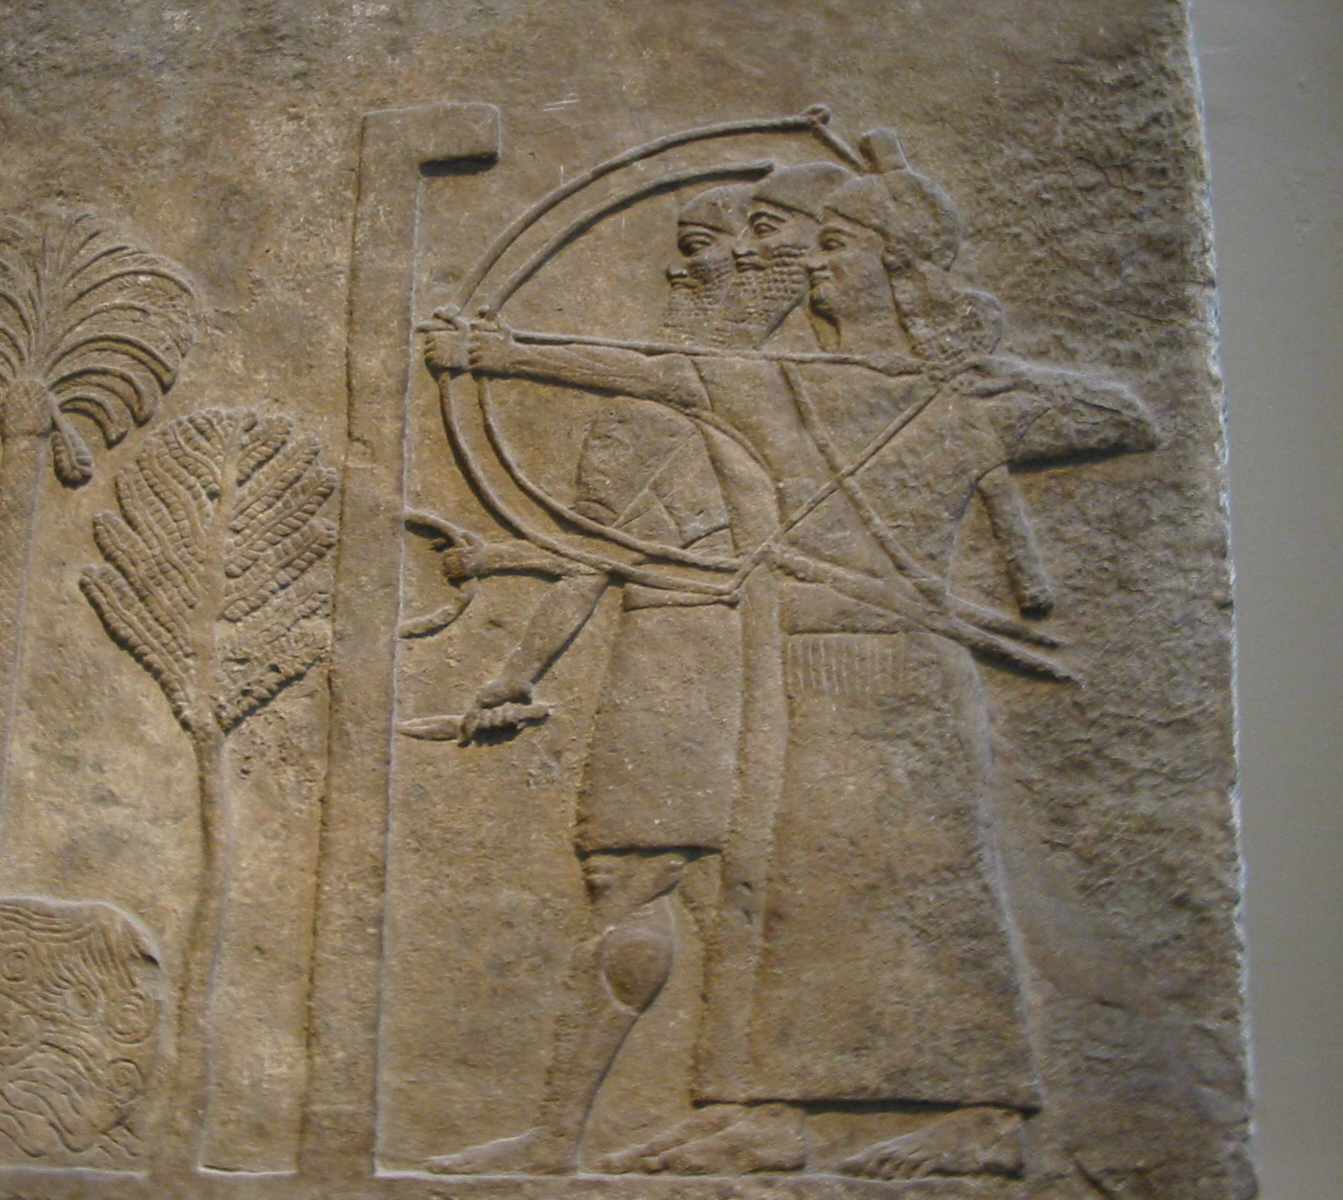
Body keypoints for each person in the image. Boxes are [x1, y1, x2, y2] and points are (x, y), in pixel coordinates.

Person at [424, 136, 1157, 1181]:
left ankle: (984, 1117)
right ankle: (769, 1112)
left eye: (840, 244)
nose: (815, 261)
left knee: (928, 886)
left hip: (905, 676)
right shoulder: (766, 385)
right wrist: (491, 353)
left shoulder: (963, 398)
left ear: (898, 266)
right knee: (780, 898)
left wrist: (989, 386)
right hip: (791, 669)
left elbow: (1127, 414)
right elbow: (636, 369)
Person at [423, 173, 847, 1176]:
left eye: (701, 245)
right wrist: (512, 646)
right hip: (684, 650)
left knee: (655, 881)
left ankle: (575, 1139)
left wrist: (495, 354)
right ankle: (748, 1114)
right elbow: (601, 552)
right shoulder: (669, 399)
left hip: (709, 657)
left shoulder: (767, 384)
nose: (677, 270)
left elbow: (620, 538)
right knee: (706, 890)